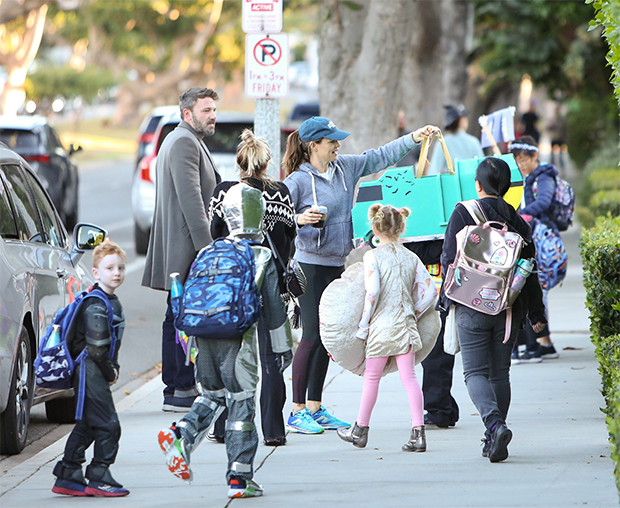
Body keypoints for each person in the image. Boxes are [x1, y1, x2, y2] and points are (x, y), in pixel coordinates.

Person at [282, 116, 440, 434]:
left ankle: (315, 406)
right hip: (309, 264)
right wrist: (299, 218)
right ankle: (297, 409)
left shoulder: (346, 168)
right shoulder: (297, 181)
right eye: (331, 142)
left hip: (335, 263)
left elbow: (379, 156)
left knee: (328, 337)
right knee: (311, 335)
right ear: (314, 146)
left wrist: (413, 138)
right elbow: (279, 219)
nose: (338, 145)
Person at [157, 184, 293, 499]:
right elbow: (273, 309)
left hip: (203, 340)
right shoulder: (260, 256)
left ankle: (182, 434)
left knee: (212, 395)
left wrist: (191, 346)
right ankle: (239, 477)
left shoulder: (207, 253)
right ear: (258, 215)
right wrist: (283, 349)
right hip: (238, 342)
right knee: (241, 406)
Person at [440, 157, 547, 462]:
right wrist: (537, 313)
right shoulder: (518, 222)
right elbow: (530, 271)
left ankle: (494, 426)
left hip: (470, 305)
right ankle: (495, 436)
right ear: (506, 187)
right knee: (500, 373)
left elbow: (449, 259)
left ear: (478, 184)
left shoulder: (464, 212)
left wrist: (444, 303)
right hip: (508, 308)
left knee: (474, 372)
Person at [208, 129, 296, 447]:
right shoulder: (281, 193)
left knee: (230, 352)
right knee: (272, 355)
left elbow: (215, 236)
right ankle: (274, 429)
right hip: (269, 276)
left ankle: (223, 426)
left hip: (233, 280)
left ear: (239, 161)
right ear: (266, 162)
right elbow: (288, 239)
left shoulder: (222, 192)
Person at [142, 87, 221, 412]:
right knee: (181, 318)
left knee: (177, 316)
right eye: (206, 110)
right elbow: (192, 205)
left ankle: (178, 388)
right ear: (187, 114)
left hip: (184, 250)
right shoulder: (185, 142)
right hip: (187, 251)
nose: (213, 115)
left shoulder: (184, 140)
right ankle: (179, 389)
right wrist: (209, 253)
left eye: (214, 109)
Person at [337, 204, 438, 450]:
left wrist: (363, 324)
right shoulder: (410, 256)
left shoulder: (372, 255)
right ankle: (418, 433)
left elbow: (372, 291)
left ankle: (360, 430)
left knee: (372, 378)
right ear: (402, 227)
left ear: (374, 227)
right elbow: (431, 291)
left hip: (381, 325)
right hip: (405, 324)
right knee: (410, 377)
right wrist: (414, 311)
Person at [52, 241, 129, 497]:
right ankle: (98, 475)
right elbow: (97, 347)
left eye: (120, 267)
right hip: (90, 369)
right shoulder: (97, 303)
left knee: (88, 423)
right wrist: (111, 371)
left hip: (90, 369)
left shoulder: (107, 299)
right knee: (109, 425)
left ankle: (68, 473)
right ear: (96, 273)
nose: (116, 272)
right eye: (109, 268)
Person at [509, 136, 560, 361]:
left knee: (536, 291)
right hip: (533, 238)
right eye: (516, 161)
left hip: (544, 241)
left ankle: (534, 346)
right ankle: (544, 344)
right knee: (535, 291)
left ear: (534, 157)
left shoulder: (544, 176)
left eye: (522, 160)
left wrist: (519, 216)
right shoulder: (525, 178)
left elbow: (545, 202)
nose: (519, 165)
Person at [427, 104, 484, 175]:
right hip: (473, 183)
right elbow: (483, 168)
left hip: (451, 184)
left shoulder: (443, 142)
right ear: (461, 120)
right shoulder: (474, 141)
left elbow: (433, 171)